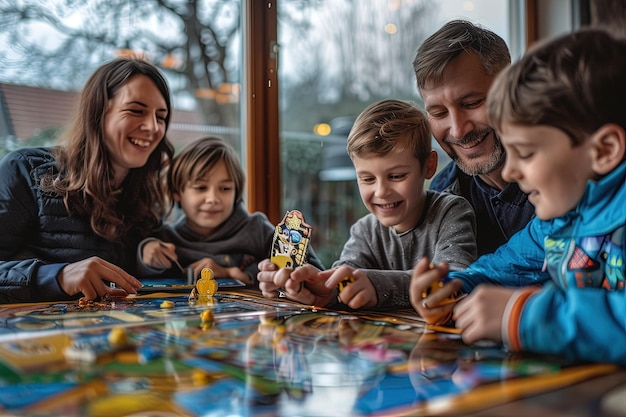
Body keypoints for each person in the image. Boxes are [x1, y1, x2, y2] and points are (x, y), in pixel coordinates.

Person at [410, 29, 626, 364]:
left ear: (605, 150)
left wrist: (523, 316)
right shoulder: (555, 222)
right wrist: (449, 287)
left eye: (524, 153)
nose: (511, 171)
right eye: (438, 112)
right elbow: (498, 270)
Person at [258, 99, 477, 310]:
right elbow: (344, 279)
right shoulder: (364, 230)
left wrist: (377, 286)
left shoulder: (452, 212)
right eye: (368, 179)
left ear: (429, 166)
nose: (381, 191)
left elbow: (454, 281)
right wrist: (311, 285)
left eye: (397, 176)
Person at [0, 57, 174, 303]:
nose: (153, 127)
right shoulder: (24, 170)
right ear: (98, 112)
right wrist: (57, 277)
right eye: (136, 110)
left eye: (162, 116)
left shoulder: (146, 197)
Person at [413, 20, 536, 256]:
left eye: (472, 103)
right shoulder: (445, 195)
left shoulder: (565, 169)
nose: (458, 131)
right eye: (439, 113)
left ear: (514, 90)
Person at [137, 136, 326, 284]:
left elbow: (311, 271)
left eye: (225, 189)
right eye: (200, 188)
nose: (213, 199)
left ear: (236, 192)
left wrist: (230, 273)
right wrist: (145, 251)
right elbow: (139, 278)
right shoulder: (165, 239)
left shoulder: (257, 229)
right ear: (176, 193)